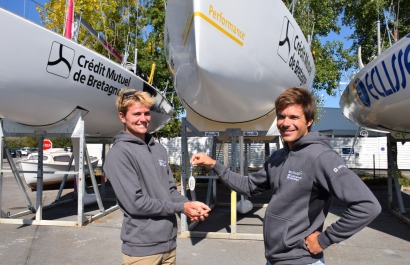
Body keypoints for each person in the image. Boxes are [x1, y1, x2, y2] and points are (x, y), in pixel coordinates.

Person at [191, 87, 381, 265]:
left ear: (309, 121)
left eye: (294, 117)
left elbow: (367, 206)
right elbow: (249, 186)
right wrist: (214, 164)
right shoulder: (278, 156)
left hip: (301, 259)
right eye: (281, 117)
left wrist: (325, 239)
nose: (286, 123)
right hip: (274, 258)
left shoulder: (321, 157)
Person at [103, 88, 211, 265]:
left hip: (169, 246)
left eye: (146, 113)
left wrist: (188, 204)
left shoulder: (158, 149)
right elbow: (135, 203)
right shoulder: (119, 153)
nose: (143, 119)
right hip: (142, 251)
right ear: (122, 117)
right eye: (136, 114)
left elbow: (169, 190)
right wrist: (180, 208)